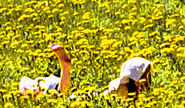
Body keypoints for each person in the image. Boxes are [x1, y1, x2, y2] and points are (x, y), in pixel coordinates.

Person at [18, 43, 153, 101]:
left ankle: (65, 68)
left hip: (83, 96)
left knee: (62, 97)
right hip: (86, 96)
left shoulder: (46, 88)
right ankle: (64, 68)